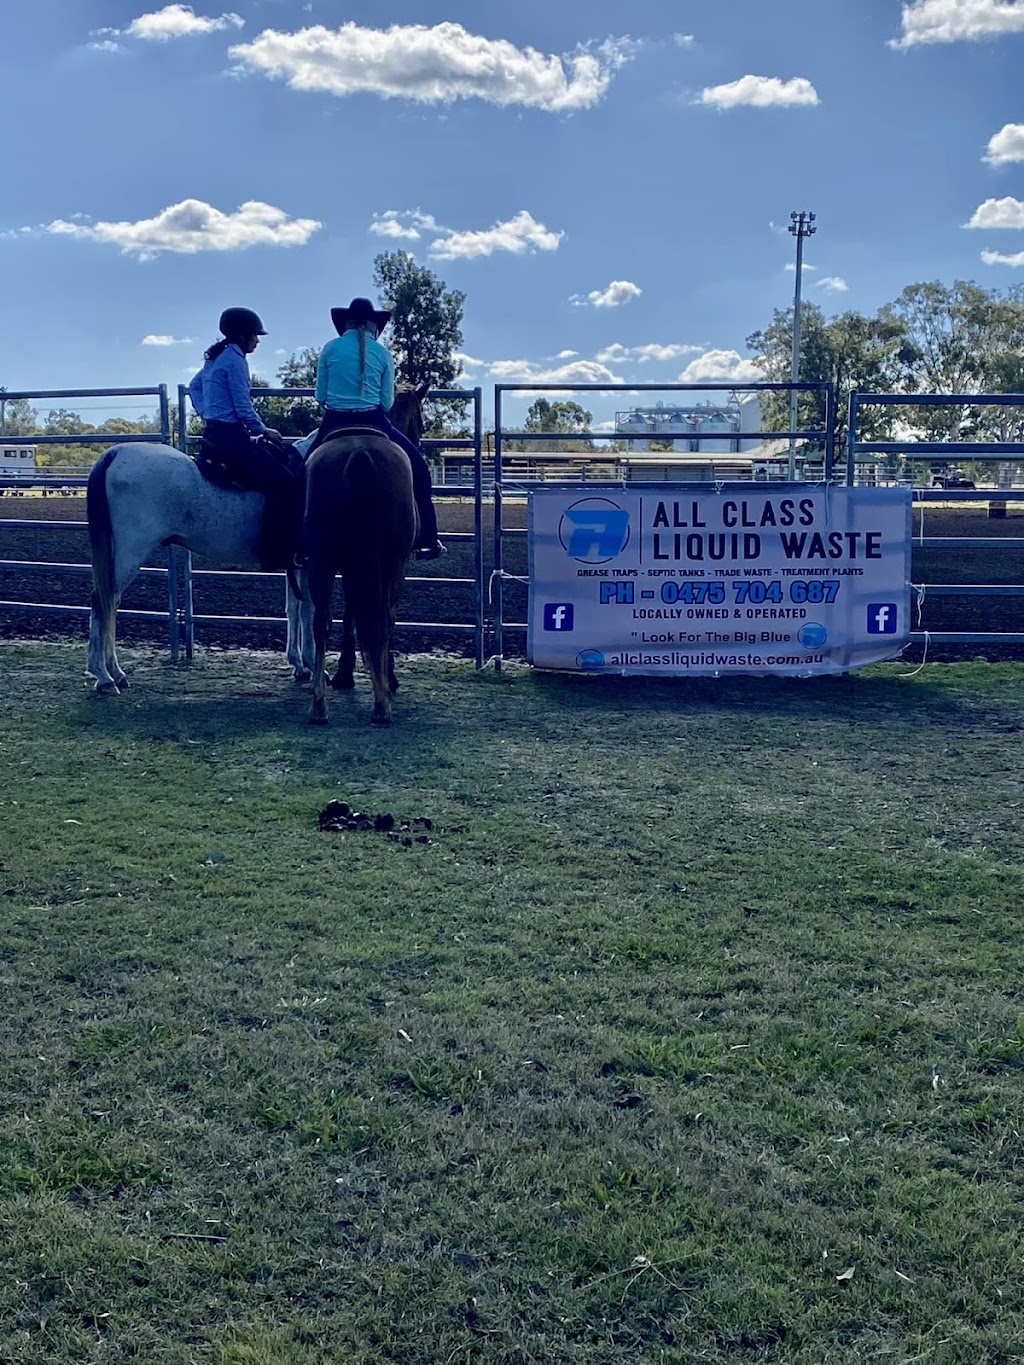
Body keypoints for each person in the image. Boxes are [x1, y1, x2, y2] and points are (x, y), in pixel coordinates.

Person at [308, 296, 444, 559]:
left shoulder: (330, 349)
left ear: (346, 323)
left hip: (335, 420)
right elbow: (386, 402)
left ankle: (295, 541)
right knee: (420, 471)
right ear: (373, 326)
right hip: (374, 420)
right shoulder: (383, 353)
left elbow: (320, 396)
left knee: (299, 471)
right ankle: (428, 539)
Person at [188, 308, 303, 569]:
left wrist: (207, 411)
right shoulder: (235, 361)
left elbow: (194, 387)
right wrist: (264, 430)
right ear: (242, 335)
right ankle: (277, 552)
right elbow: (243, 406)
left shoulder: (215, 358)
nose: (257, 340)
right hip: (232, 438)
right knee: (285, 482)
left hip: (213, 433)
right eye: (254, 335)